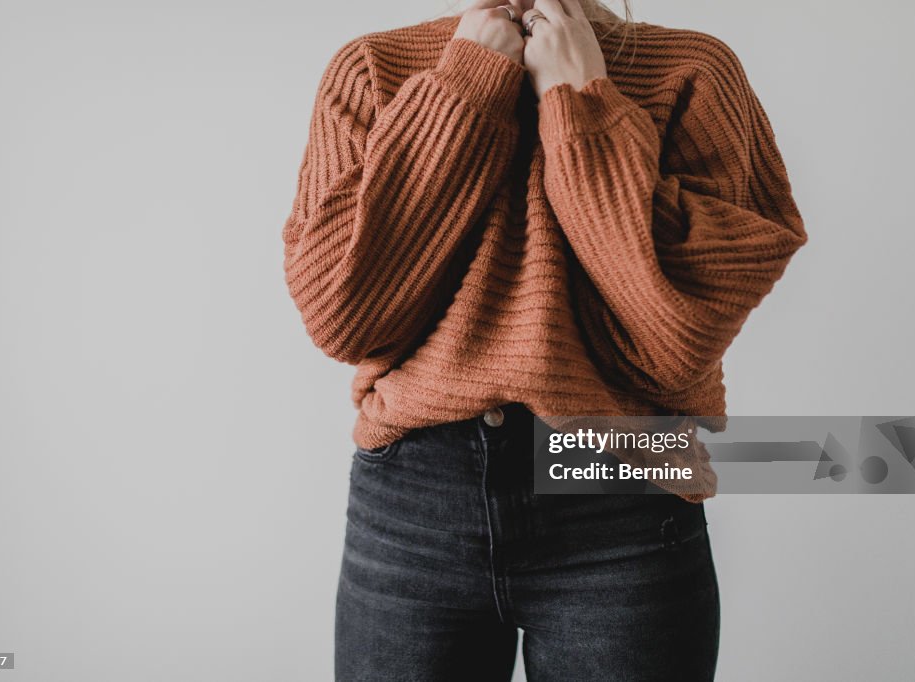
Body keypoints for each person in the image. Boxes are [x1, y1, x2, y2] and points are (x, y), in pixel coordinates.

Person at [281, 0, 807, 678]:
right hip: (416, 506)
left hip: (620, 498)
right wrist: (464, 88)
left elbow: (678, 336)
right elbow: (343, 317)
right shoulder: (373, 70)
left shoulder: (693, 73)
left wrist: (579, 100)